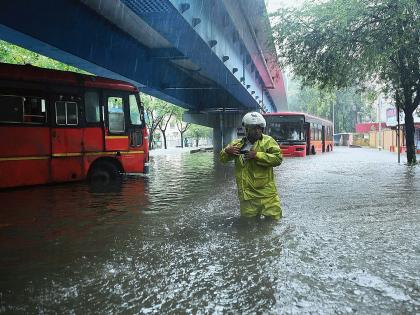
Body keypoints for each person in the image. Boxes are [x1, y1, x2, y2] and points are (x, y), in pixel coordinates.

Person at [220, 112, 283, 220]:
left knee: (273, 223)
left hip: (268, 195)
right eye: (254, 128)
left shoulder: (268, 141)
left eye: (259, 127)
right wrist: (226, 151)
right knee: (248, 226)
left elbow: (278, 159)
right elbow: (222, 159)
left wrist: (257, 155)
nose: (257, 130)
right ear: (246, 129)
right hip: (247, 197)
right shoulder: (237, 144)